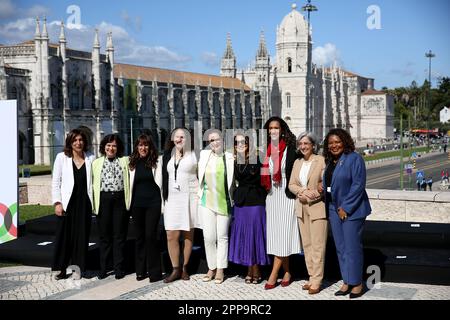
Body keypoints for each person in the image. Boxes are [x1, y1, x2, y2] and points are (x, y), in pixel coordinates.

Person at [323, 128, 372, 299]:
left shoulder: (354, 158)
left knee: (352, 248)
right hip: (333, 209)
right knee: (341, 248)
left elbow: (358, 185)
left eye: (337, 142)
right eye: (331, 143)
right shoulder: (331, 161)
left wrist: (346, 207)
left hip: (351, 210)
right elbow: (330, 184)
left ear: (344, 141)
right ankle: (347, 281)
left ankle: (357, 283)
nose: (334, 145)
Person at [261, 116, 302, 290]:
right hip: (271, 196)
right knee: (277, 236)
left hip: (286, 196)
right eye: (270, 128)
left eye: (276, 128)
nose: (273, 131)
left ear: (282, 129)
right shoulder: (267, 150)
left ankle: (273, 274)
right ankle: (287, 272)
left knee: (284, 234)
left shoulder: (291, 149)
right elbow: (264, 174)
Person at [51, 129, 95, 280]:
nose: (78, 143)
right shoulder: (61, 157)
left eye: (81, 140)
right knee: (64, 237)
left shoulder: (91, 157)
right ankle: (62, 269)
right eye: (75, 140)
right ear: (70, 142)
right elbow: (56, 182)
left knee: (81, 237)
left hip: (84, 203)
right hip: (67, 203)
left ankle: (78, 268)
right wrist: (57, 202)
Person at [288, 132, 327, 295]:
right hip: (301, 208)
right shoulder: (297, 162)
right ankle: (311, 276)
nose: (303, 146)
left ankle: (317, 280)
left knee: (318, 246)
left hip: (317, 207)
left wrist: (314, 194)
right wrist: (302, 192)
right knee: (307, 246)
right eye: (300, 144)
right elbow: (291, 184)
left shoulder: (321, 161)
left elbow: (325, 184)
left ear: (313, 145)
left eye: (306, 143)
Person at [228, 133, 270, 284]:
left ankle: (255, 269)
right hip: (241, 201)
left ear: (249, 144)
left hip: (256, 199)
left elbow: (265, 179)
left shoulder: (258, 158)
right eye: (237, 143)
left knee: (255, 233)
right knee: (245, 235)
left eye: (243, 142)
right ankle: (249, 269)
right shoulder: (234, 161)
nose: (240, 145)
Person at [161, 128, 200, 283]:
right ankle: (175, 268)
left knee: (188, 233)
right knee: (171, 234)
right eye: (176, 137)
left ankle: (184, 268)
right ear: (172, 139)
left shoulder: (195, 155)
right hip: (172, 198)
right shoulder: (166, 156)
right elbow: (161, 178)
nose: (179, 139)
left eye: (182, 137)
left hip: (190, 197)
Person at [198, 129, 235, 284]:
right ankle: (211, 267)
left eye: (217, 139)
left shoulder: (230, 158)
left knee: (222, 236)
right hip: (206, 201)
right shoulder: (204, 155)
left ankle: (220, 269)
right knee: (208, 237)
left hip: (224, 202)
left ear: (223, 140)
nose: (214, 142)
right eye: (211, 140)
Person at [92, 134, 130, 280]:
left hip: (120, 199)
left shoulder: (124, 161)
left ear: (118, 148)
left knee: (119, 236)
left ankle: (118, 268)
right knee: (104, 236)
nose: (111, 148)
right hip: (104, 200)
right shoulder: (96, 163)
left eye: (114, 145)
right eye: (108, 145)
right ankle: (103, 268)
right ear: (104, 147)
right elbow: (92, 184)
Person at [129, 134, 163, 282]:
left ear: (150, 147)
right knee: (139, 238)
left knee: (151, 236)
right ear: (137, 147)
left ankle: (154, 271)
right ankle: (140, 271)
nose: (143, 148)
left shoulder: (157, 162)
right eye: (140, 145)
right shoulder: (131, 164)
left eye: (146, 145)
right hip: (137, 205)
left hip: (153, 204)